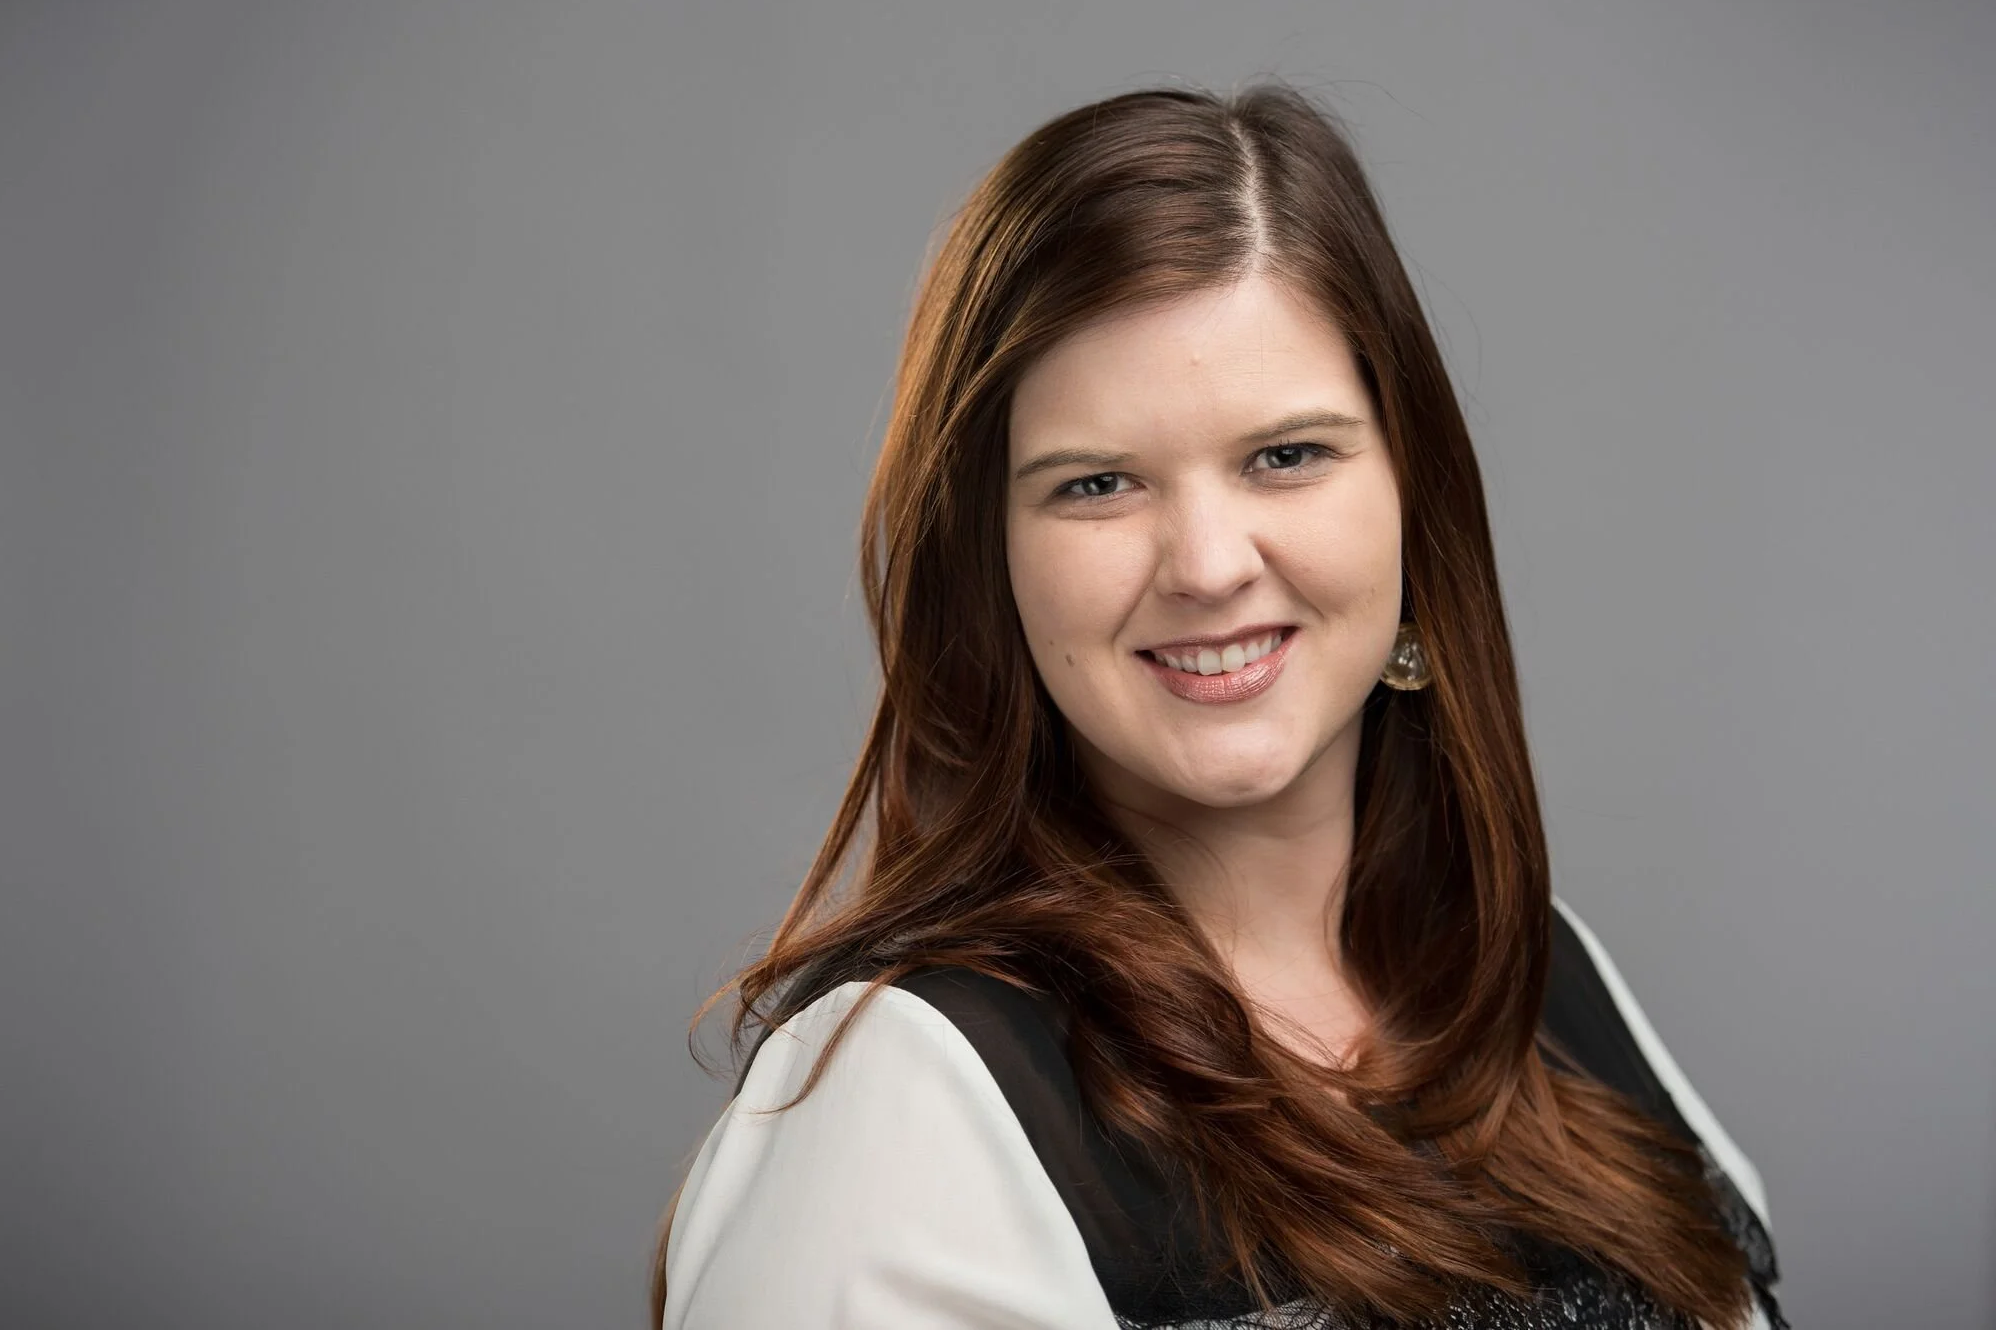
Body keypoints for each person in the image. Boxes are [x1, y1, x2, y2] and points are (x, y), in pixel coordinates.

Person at [648, 82, 1785, 1329]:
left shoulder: (1548, 980)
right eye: (1095, 483)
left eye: (1285, 455)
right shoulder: (899, 1096)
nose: (1204, 564)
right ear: (991, 565)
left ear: (1417, 497)